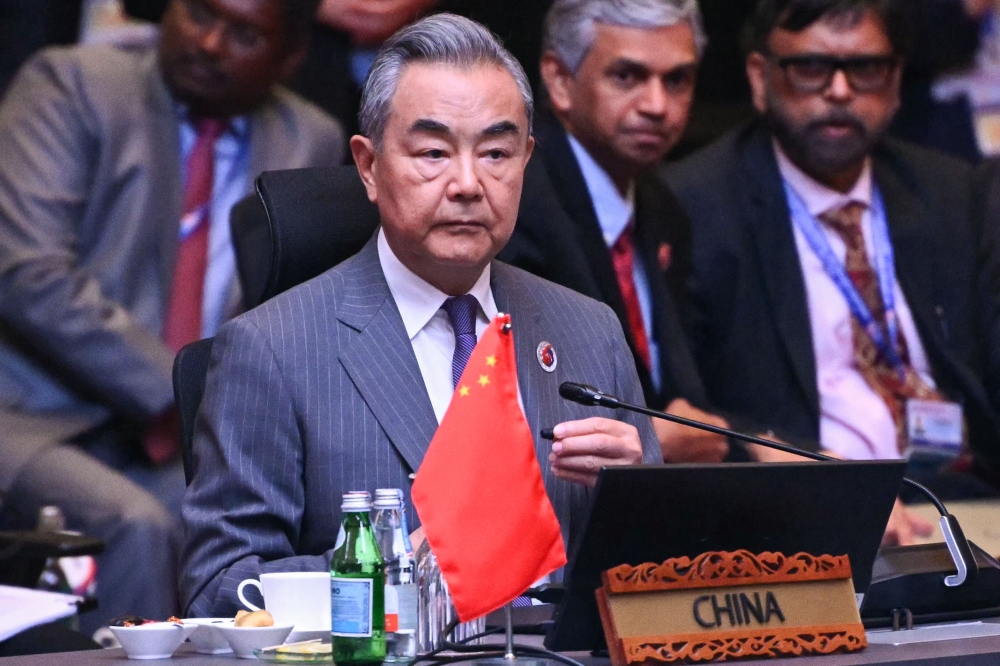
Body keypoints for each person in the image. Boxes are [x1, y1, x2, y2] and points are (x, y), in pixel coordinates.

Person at [180, 13, 659, 617]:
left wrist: (639, 499)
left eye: (495, 153)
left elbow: (660, 581)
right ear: (370, 167)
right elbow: (218, 587)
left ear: (525, 161)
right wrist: (392, 572)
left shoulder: (589, 331)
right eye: (433, 152)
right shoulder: (270, 348)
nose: (467, 183)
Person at [0, 0, 343, 632]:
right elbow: (26, 272)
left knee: (269, 535)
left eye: (243, 34)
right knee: (139, 525)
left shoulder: (309, 139)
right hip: (34, 414)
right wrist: (188, 394)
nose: (210, 43)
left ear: (291, 56)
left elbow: (298, 312)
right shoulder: (74, 85)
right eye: (199, 14)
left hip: (188, 442)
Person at [666, 0, 1000, 543]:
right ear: (759, 77)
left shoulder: (952, 194)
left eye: (866, 68)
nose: (840, 91)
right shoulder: (693, 209)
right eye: (812, 68)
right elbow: (690, 414)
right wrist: (829, 488)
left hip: (967, 501)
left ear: (895, 81)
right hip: (804, 512)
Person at [500, 0, 742, 464]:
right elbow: (512, 408)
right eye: (627, 77)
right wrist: (650, 442)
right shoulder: (520, 202)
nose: (657, 105)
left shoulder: (661, 204)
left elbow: (683, 404)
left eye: (677, 80)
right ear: (559, 80)